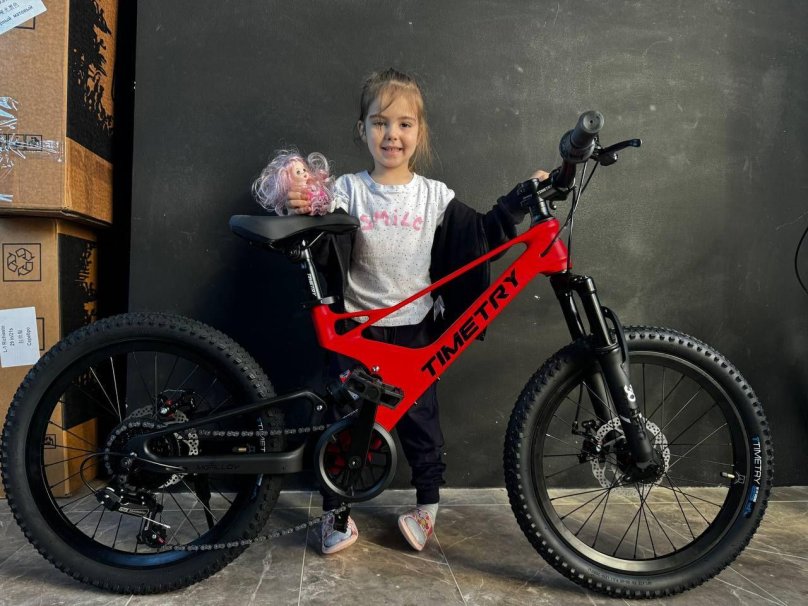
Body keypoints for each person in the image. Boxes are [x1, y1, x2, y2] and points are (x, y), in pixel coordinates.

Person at [284, 68, 547, 555]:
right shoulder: (346, 191)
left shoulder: (434, 196)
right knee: (344, 422)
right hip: (357, 333)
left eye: (404, 124)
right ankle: (336, 513)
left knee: (421, 422)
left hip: (416, 332)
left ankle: (427, 507)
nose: (392, 134)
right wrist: (297, 200)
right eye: (380, 122)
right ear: (361, 129)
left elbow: (482, 235)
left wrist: (520, 199)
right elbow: (310, 223)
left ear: (419, 132)